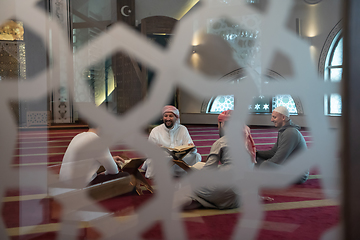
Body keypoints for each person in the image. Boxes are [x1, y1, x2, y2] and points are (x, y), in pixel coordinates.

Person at [183, 110, 256, 210]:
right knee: (199, 167)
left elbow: (208, 171)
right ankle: (203, 201)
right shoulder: (247, 141)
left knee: (190, 181)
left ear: (222, 124)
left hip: (223, 192)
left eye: (218, 124)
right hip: (238, 198)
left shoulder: (221, 142)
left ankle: (196, 199)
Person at [141, 105, 202, 178]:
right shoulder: (155, 131)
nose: (168, 118)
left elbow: (190, 147)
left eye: (171, 116)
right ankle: (178, 171)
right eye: (165, 116)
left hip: (180, 159)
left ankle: (168, 172)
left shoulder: (183, 129)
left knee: (196, 156)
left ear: (176, 117)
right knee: (152, 160)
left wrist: (191, 148)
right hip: (164, 159)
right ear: (162, 117)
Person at [59, 126, 129, 186]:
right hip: (80, 187)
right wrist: (104, 173)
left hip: (64, 182)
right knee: (125, 176)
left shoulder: (78, 136)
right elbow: (114, 171)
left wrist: (111, 159)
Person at [256, 106, 309, 183]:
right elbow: (273, 152)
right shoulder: (284, 131)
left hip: (298, 174)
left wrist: (262, 166)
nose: (271, 120)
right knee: (257, 160)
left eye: (274, 117)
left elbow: (277, 160)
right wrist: (256, 153)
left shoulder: (290, 133)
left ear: (283, 117)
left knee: (264, 165)